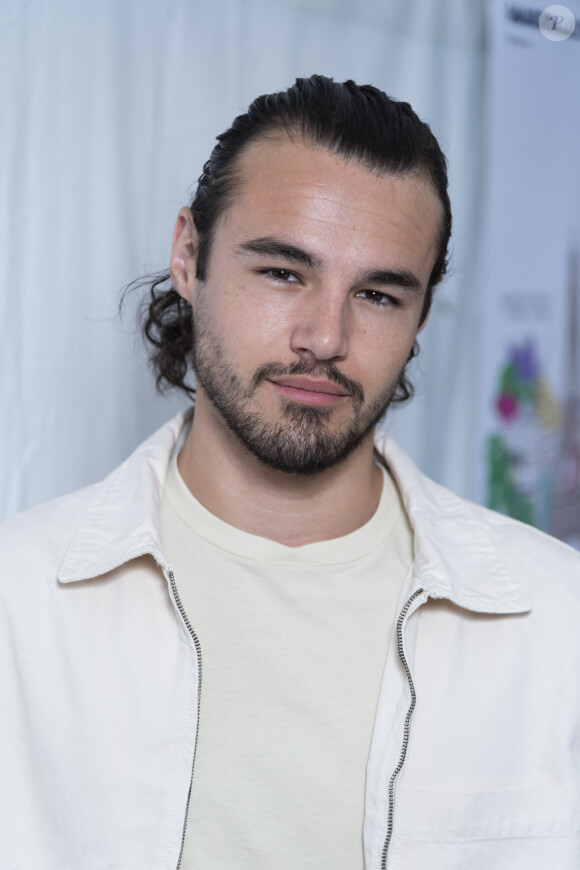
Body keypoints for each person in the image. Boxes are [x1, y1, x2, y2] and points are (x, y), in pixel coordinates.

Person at [1, 75, 579, 870]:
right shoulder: (18, 604)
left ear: (420, 319)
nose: (324, 336)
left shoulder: (557, 622)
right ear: (187, 255)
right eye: (283, 273)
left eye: (377, 294)